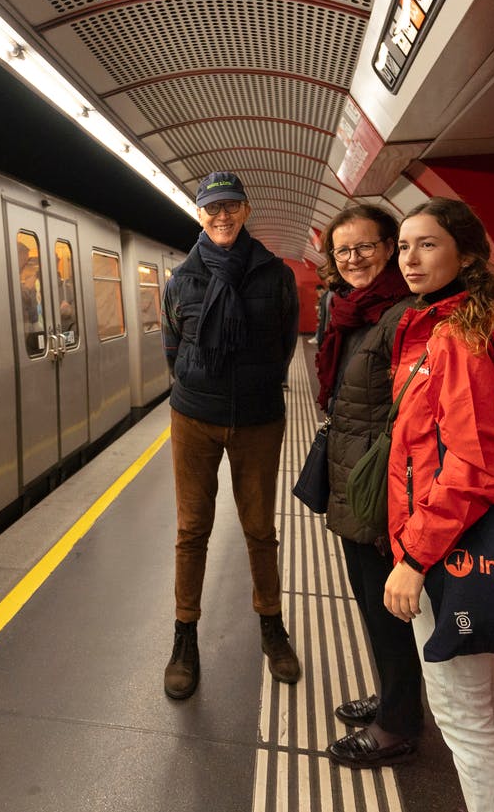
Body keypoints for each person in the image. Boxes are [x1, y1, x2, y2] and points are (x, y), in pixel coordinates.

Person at [383, 197, 494, 811]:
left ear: (466, 254)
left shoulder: (457, 339)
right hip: (452, 537)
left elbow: (477, 464)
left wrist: (414, 559)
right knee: (485, 703)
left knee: (463, 716)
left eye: (427, 244)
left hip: (448, 546)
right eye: (403, 246)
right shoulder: (461, 325)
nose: (410, 259)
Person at [161, 170, 300, 699]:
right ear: (200, 215)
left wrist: (256, 382)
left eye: (231, 206)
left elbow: (286, 342)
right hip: (194, 417)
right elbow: (174, 349)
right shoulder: (182, 279)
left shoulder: (275, 274)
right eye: (211, 207)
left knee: (260, 528)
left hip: (258, 419)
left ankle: (271, 625)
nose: (221, 215)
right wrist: (198, 387)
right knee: (192, 529)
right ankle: (184, 637)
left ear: (246, 211)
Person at [308, 207, 422, 769]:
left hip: (382, 489)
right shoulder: (353, 312)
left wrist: (395, 500)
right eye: (342, 251)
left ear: (390, 246)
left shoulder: (403, 316)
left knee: (388, 613)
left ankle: (397, 726)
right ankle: (394, 697)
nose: (353, 259)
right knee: (374, 606)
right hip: (357, 478)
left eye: (365, 247)